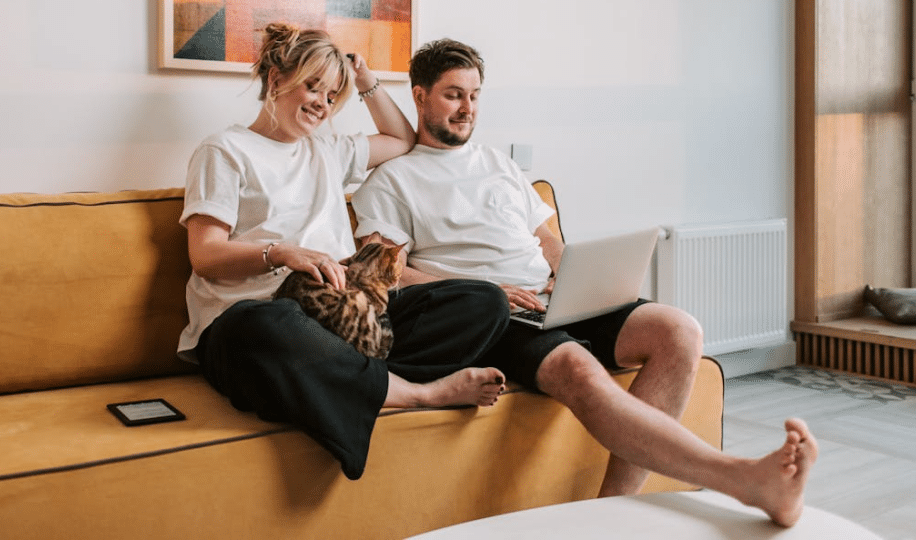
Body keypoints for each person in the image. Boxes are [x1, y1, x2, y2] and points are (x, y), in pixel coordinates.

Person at [350, 37, 819, 526]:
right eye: (453, 94)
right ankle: (744, 479)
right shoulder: (391, 180)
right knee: (577, 366)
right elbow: (388, 274)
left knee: (679, 331)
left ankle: (611, 512)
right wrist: (479, 289)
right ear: (419, 95)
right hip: (493, 315)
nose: (467, 107)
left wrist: (571, 273)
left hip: (556, 295)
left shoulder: (500, 166)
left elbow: (548, 242)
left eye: (474, 94)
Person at [177, 24, 510, 481]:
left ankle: (341, 379)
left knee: (483, 301)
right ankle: (416, 393)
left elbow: (402, 139)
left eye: (332, 95)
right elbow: (206, 255)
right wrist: (281, 253)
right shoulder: (225, 150)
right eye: (312, 86)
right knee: (262, 325)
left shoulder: (326, 151)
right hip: (257, 320)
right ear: (276, 80)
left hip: (346, 320)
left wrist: (366, 80)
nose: (322, 103)